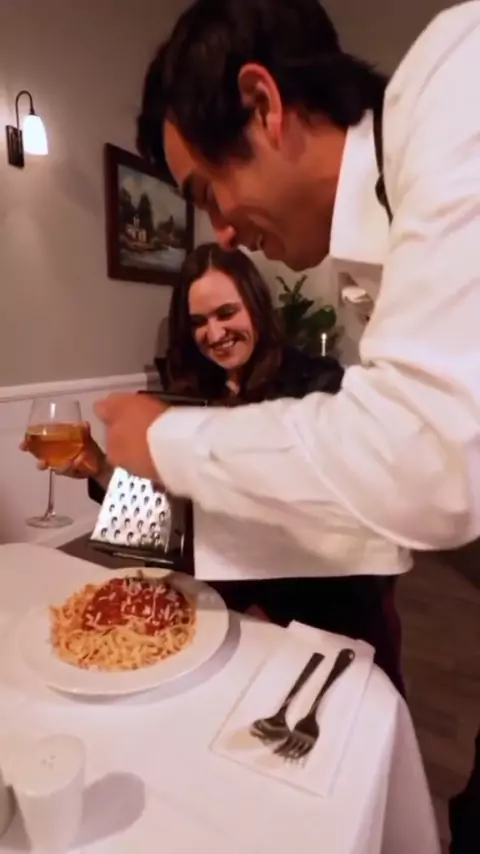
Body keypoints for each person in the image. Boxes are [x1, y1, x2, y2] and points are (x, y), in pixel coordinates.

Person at [91, 2, 480, 851]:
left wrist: (163, 443)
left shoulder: (457, 73)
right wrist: (112, 471)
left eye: (207, 193)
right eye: (199, 322)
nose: (224, 228)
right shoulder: (196, 387)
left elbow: (423, 470)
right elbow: (147, 534)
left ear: (264, 104)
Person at [22, 241, 404, 692]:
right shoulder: (184, 395)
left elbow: (346, 521)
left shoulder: (320, 385)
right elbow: (158, 533)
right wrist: (100, 468)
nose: (215, 332)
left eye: (227, 313)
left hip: (321, 620)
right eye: (199, 322)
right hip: (218, 619)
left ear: (255, 306)